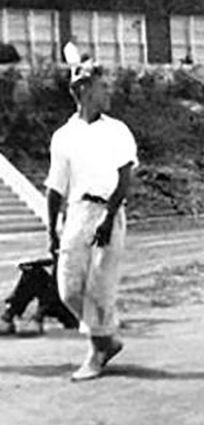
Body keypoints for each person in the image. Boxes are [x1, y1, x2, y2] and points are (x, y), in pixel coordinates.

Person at [44, 50, 137, 381]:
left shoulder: (117, 131)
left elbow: (125, 178)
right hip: (76, 213)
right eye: (102, 87)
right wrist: (52, 229)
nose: (108, 92)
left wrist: (109, 218)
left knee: (99, 287)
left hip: (109, 211)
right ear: (84, 89)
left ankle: (96, 353)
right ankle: (106, 338)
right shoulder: (63, 136)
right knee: (68, 289)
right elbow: (55, 187)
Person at [0, 258, 79, 335]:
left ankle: (39, 315)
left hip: (77, 309)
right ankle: (10, 315)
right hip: (63, 298)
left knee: (54, 277)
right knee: (33, 272)